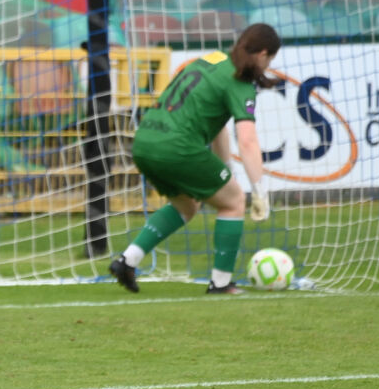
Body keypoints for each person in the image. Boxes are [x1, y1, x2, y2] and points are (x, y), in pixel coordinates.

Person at [110, 23, 282, 295]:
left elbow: (218, 128)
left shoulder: (211, 59)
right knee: (235, 202)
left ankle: (127, 260)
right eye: (270, 59)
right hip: (177, 147)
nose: (268, 65)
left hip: (144, 142)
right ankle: (222, 283)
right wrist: (259, 191)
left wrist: (225, 169)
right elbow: (247, 140)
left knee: (187, 205)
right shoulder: (240, 82)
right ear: (262, 53)